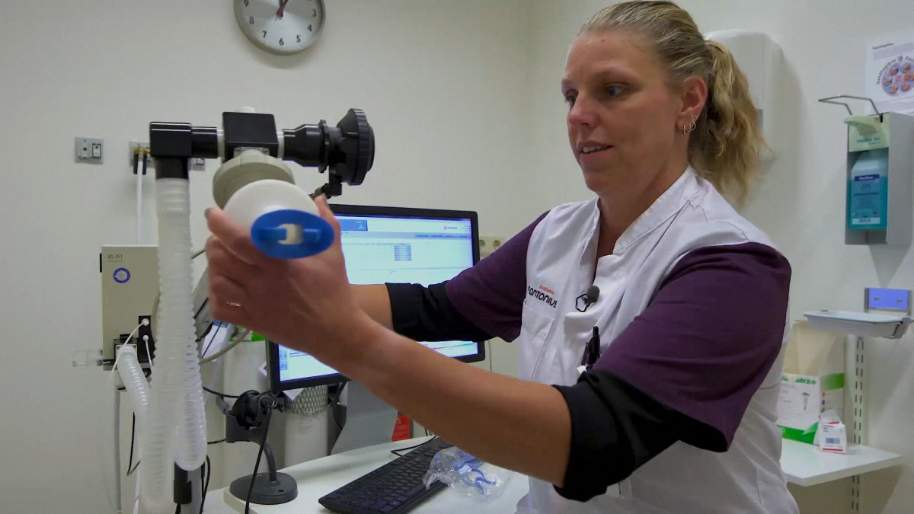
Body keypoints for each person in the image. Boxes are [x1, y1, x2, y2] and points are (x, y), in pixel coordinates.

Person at [204, 2, 798, 512]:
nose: (578, 115)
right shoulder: (559, 233)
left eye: (612, 90)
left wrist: (343, 339)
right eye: (571, 95)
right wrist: (295, 293)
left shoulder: (734, 265)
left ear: (688, 102)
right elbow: (438, 308)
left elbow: (595, 439)